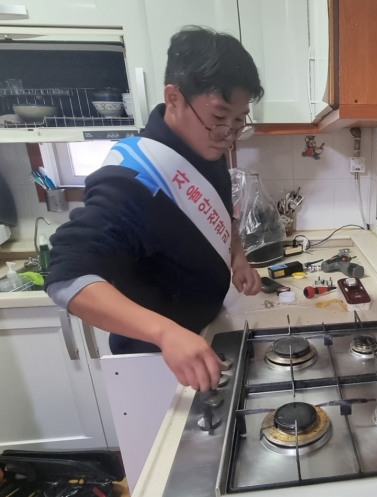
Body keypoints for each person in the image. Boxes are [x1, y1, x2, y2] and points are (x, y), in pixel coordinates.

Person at [45, 25, 264, 392]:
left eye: (238, 121)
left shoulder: (205, 152)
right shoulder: (131, 179)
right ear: (174, 98)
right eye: (218, 118)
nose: (228, 135)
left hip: (206, 338)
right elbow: (66, 277)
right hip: (155, 363)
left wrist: (237, 257)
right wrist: (165, 333)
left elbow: (222, 214)